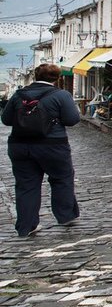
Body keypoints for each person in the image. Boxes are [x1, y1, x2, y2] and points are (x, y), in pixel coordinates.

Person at [1, 63, 82, 238]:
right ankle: (65, 216)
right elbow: (72, 119)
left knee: (26, 185)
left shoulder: (18, 95)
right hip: (53, 145)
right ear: (57, 78)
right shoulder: (61, 95)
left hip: (20, 146)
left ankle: (26, 226)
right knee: (61, 178)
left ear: (36, 76)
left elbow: (6, 120)